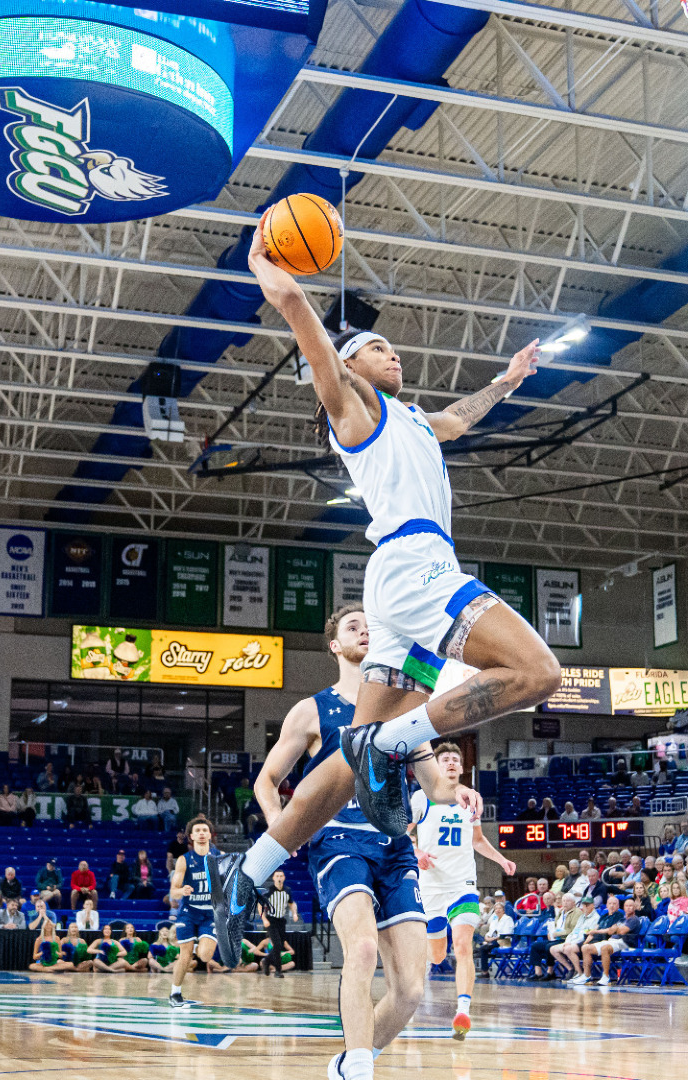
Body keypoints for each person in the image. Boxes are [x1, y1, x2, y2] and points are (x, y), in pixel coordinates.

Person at [221, 231, 561, 949]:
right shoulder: (353, 408)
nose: (393, 353)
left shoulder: (412, 421)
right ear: (350, 367)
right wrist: (262, 264)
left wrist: (508, 380)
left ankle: (249, 871)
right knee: (538, 672)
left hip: (399, 584)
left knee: (347, 762)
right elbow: (300, 316)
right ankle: (391, 741)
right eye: (377, 347)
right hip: (417, 569)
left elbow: (460, 417)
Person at [250, 604, 473, 1076]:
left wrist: (459, 790)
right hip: (337, 841)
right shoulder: (312, 709)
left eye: (371, 627)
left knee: (412, 988)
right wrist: (280, 828)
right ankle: (358, 1067)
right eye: (354, 627)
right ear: (335, 645)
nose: (365, 632)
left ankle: (352, 1061)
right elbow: (267, 781)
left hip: (393, 847)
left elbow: (434, 786)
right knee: (363, 949)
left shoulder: (404, 712)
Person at [409, 742, 514, 1034]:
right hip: (431, 886)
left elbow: (477, 840)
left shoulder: (471, 800)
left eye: (456, 759)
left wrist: (501, 859)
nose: (452, 763)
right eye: (446, 759)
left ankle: (463, 1011)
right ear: (437, 766)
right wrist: (417, 853)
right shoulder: (422, 798)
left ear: (462, 766)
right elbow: (402, 835)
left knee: (464, 943)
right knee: (438, 955)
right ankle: (425, 964)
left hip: (462, 884)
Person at [166, 816, 229, 1005]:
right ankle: (175, 994)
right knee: (185, 956)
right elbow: (173, 892)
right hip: (189, 911)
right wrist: (181, 890)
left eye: (204, 830)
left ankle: (197, 943)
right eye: (197, 831)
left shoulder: (220, 857)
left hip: (210, 913)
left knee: (205, 956)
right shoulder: (184, 861)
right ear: (191, 836)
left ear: (210, 834)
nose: (201, 833)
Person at [258, 869, 299, 977]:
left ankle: (267, 961)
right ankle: (278, 971)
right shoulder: (269, 891)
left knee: (279, 946)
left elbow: (291, 903)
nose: (279, 878)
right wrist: (264, 919)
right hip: (271, 921)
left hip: (281, 921)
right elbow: (260, 905)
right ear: (274, 878)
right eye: (277, 876)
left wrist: (294, 913)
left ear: (284, 877)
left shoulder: (287, 890)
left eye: (281, 876)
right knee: (277, 944)